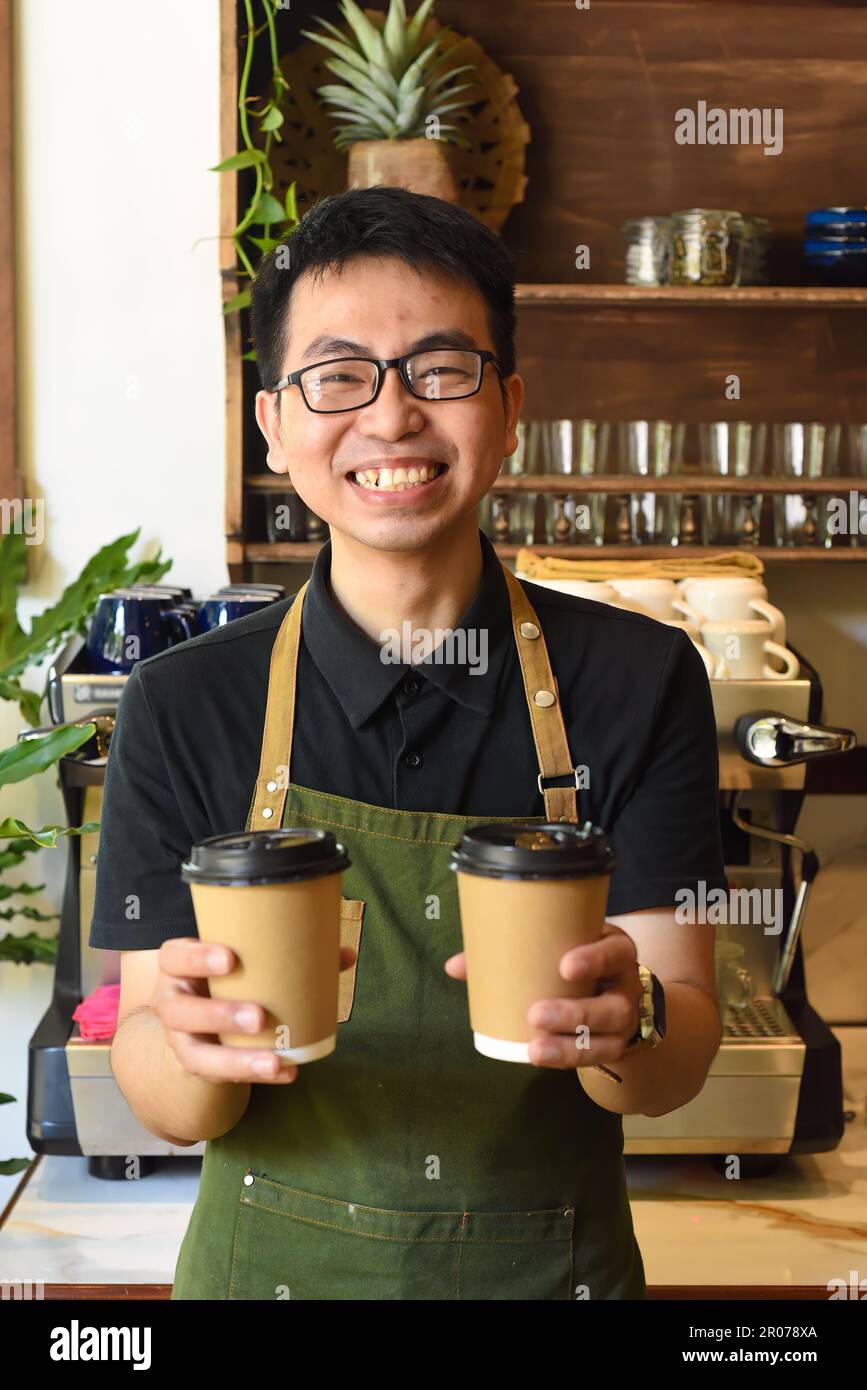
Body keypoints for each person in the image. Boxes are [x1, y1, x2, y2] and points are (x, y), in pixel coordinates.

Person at [91, 186, 727, 1301]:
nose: (391, 419)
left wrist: (634, 1026)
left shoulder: (637, 676)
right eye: (338, 376)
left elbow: (671, 1065)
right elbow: (163, 1087)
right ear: (273, 424)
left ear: (510, 403)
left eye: (441, 369)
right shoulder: (184, 701)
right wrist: (189, 1046)